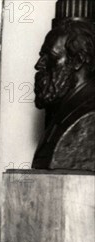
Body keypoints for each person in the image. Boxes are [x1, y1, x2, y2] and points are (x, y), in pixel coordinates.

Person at [32, 18, 95, 170]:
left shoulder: (90, 117)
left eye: (52, 57)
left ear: (78, 61)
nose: (38, 64)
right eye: (42, 55)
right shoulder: (63, 112)